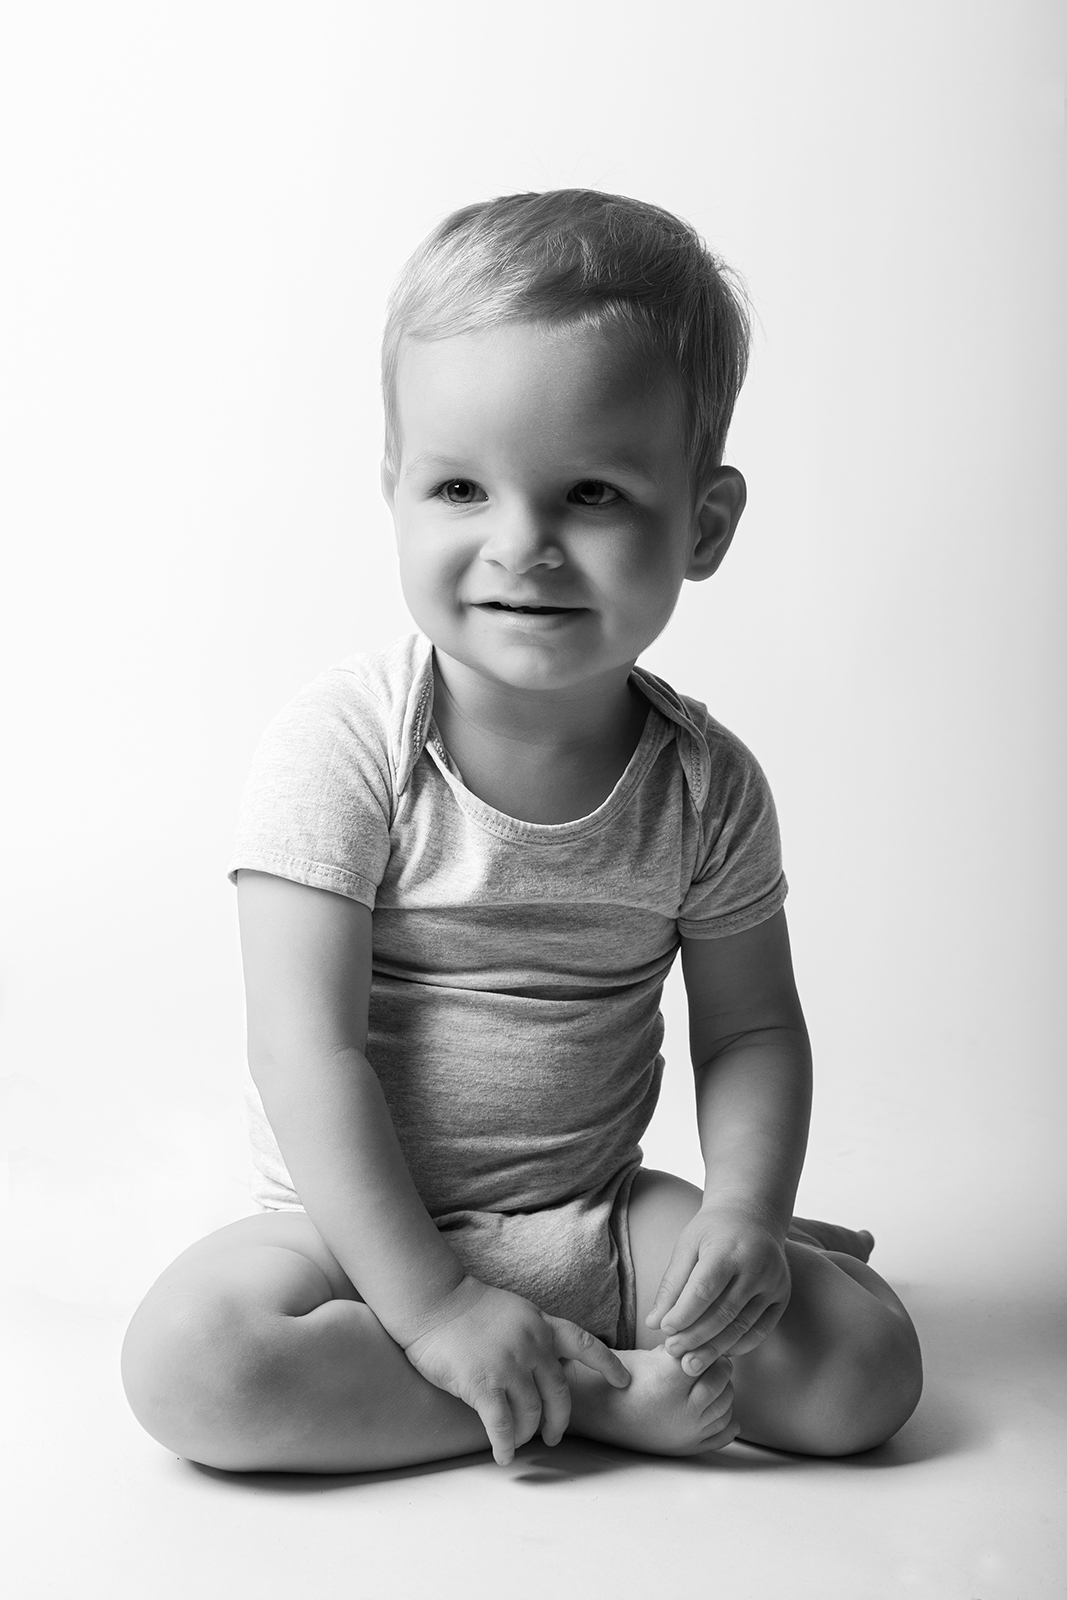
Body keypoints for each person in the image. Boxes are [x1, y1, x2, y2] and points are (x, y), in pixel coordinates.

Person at [121, 189, 922, 1473]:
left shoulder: (705, 785)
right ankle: (585, 1396)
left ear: (702, 525)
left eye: (590, 492)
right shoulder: (343, 747)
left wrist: (741, 1211)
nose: (520, 544)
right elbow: (305, 1055)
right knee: (193, 1363)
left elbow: (751, 1030)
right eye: (458, 486)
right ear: (393, 494)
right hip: (356, 1240)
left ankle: (566, 1349)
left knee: (864, 1370)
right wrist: (437, 1308)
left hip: (591, 1220)